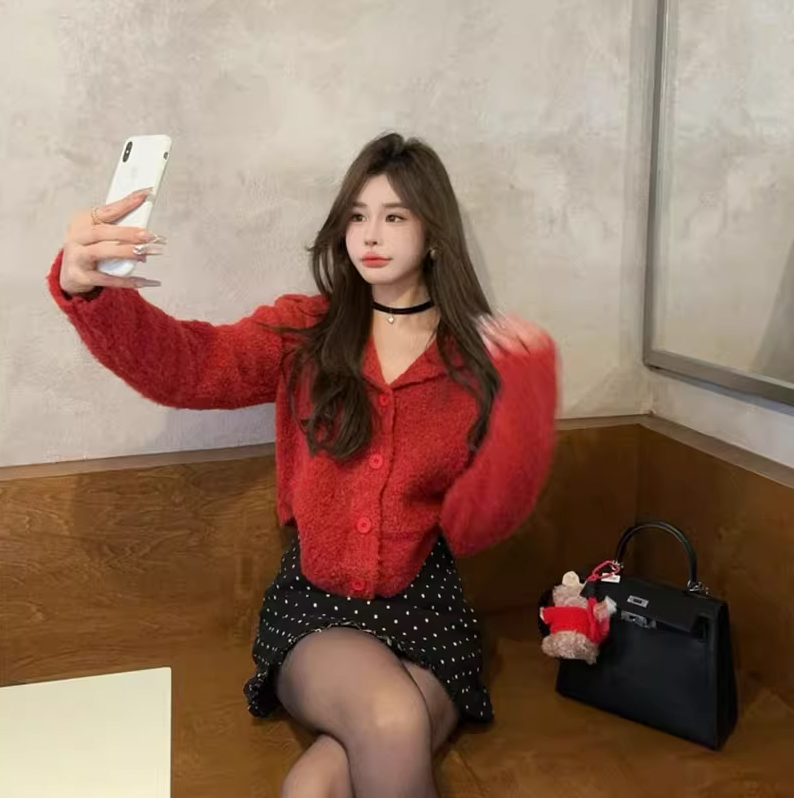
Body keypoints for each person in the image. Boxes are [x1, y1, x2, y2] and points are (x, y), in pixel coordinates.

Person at [48, 132, 558, 798]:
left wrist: (526, 397)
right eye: (357, 215)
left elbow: (473, 528)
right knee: (393, 717)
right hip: (318, 609)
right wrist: (91, 293)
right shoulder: (305, 332)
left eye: (394, 216)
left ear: (434, 233)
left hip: (429, 611)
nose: (369, 234)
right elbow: (192, 368)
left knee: (314, 786)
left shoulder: (471, 362)